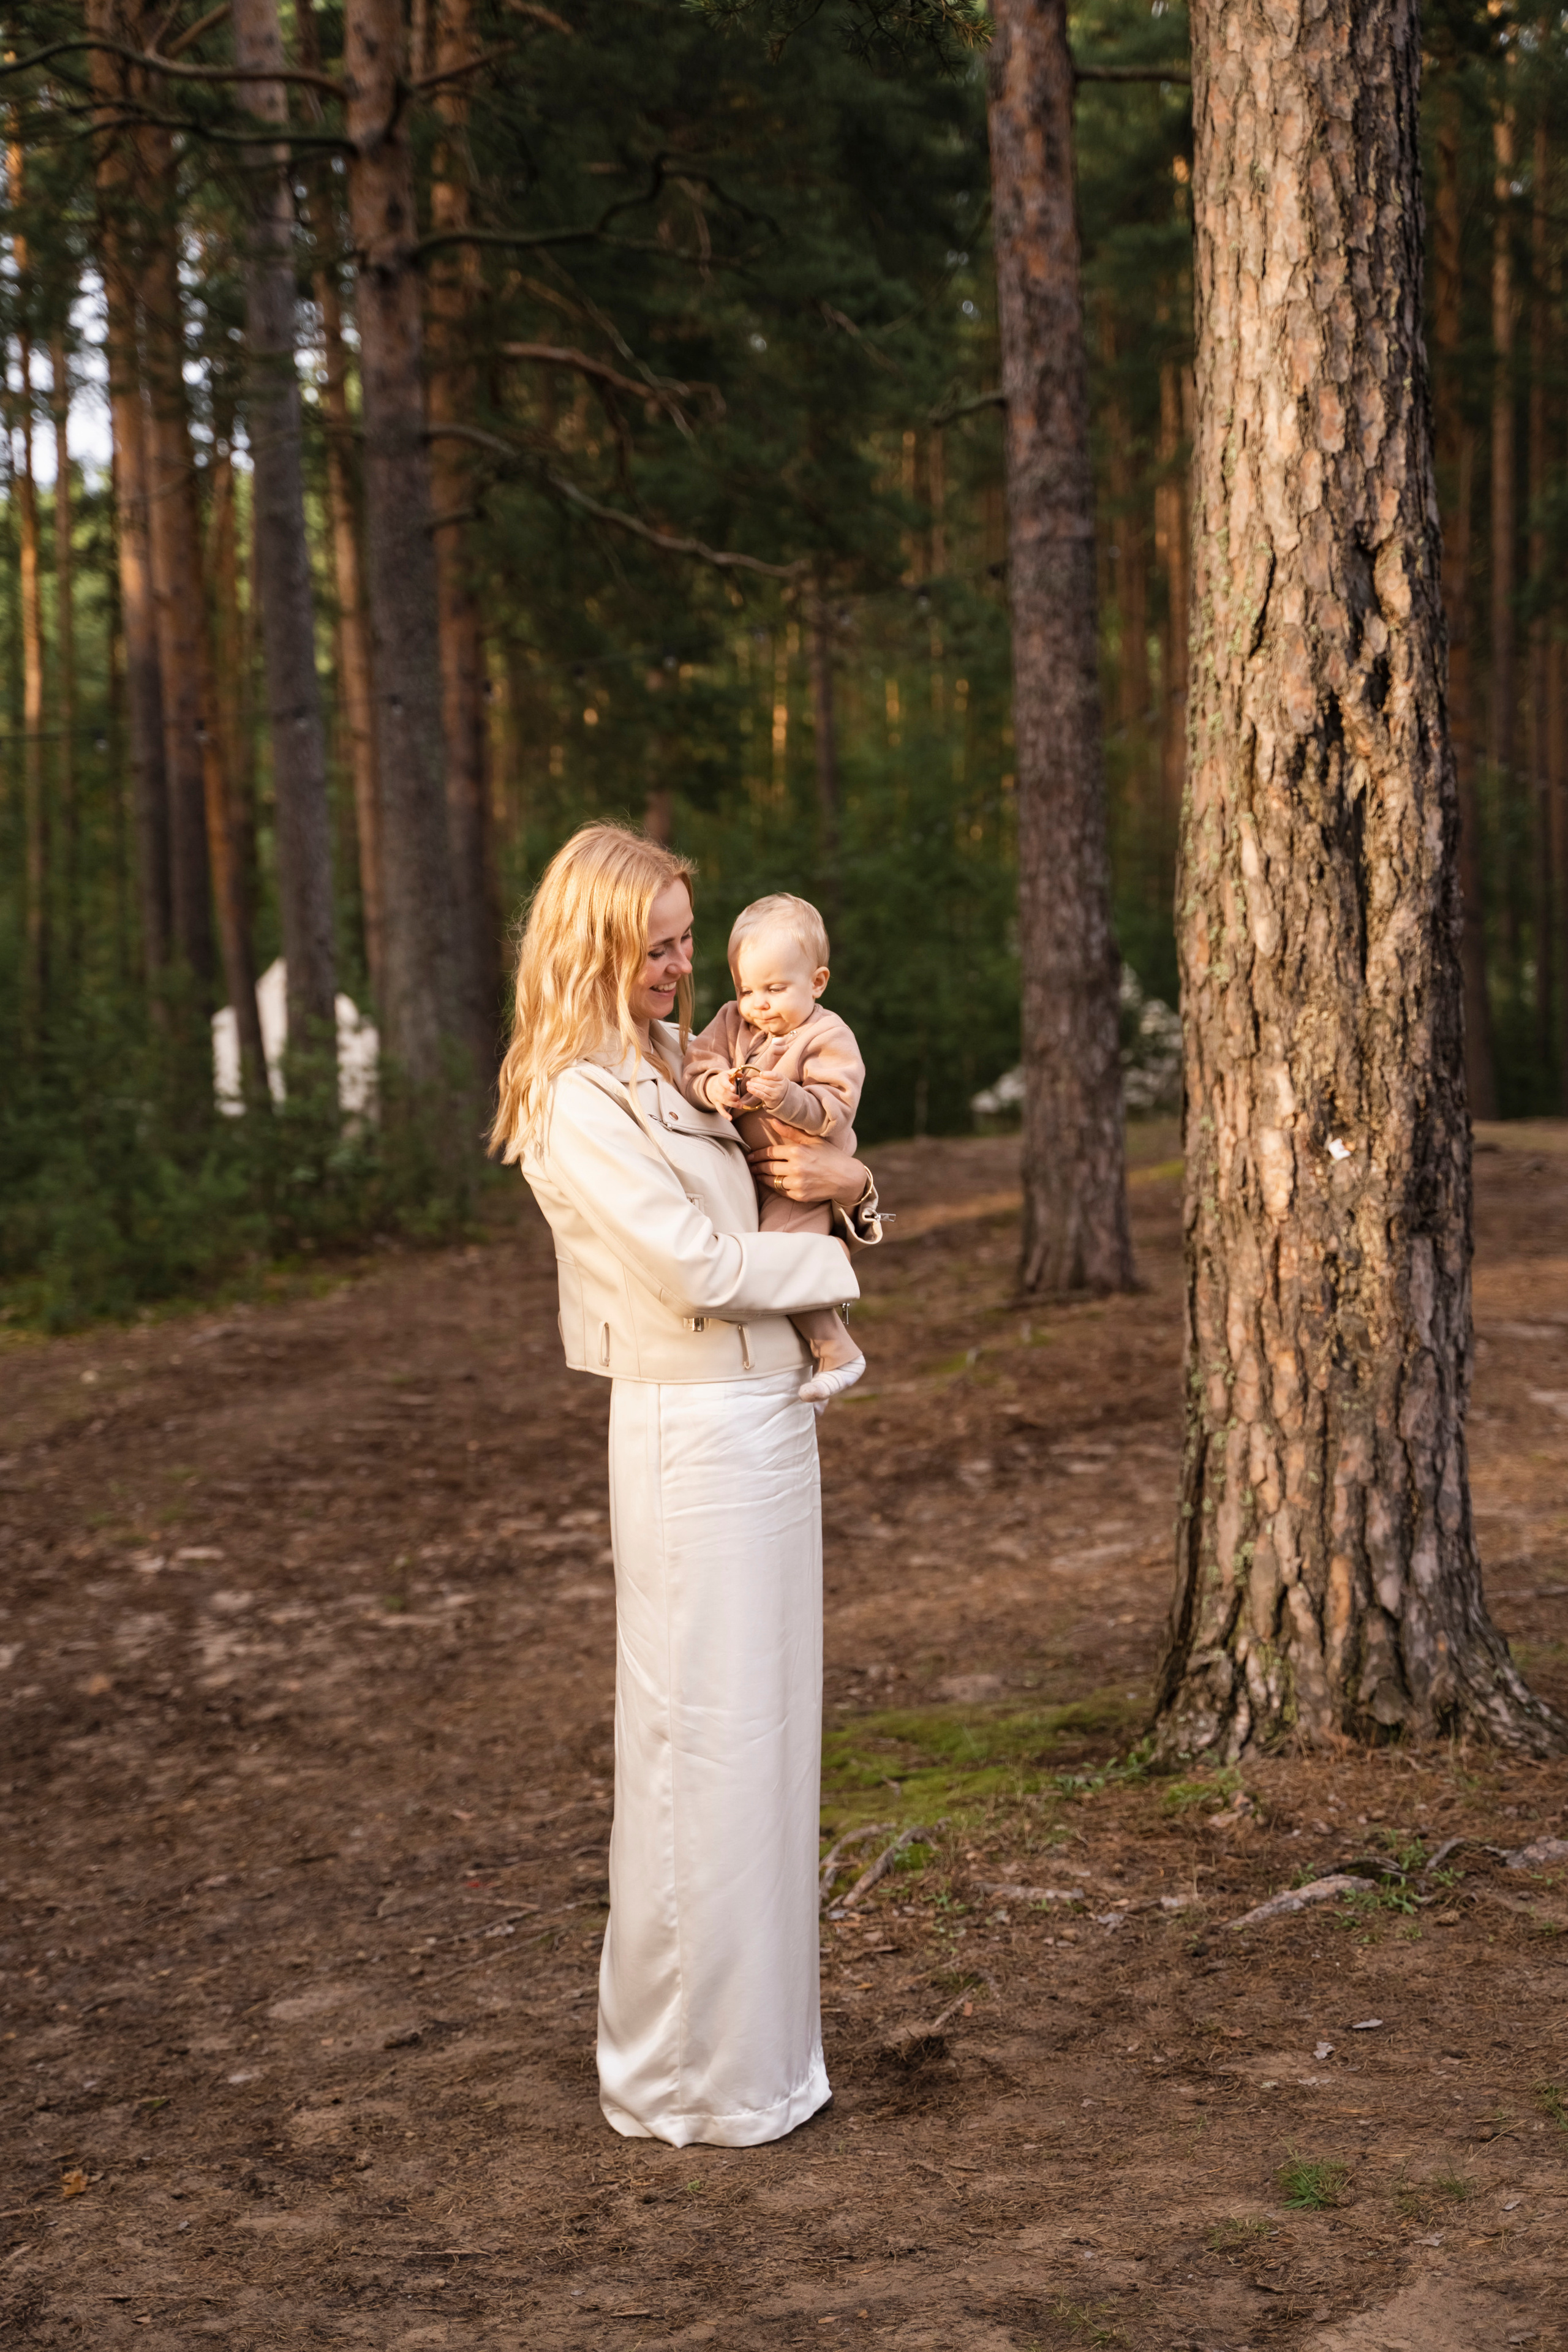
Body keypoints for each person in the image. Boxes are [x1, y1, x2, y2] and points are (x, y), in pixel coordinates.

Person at [489, 822, 884, 2149]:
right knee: (697, 1750)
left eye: (680, 941)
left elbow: (798, 1179)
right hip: (688, 1428)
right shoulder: (574, 1095)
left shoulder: (676, 1055)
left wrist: (858, 1187)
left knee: (768, 1742)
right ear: (596, 945)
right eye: (656, 946)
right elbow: (698, 1273)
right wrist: (840, 1270)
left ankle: (764, 2064)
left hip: (767, 1414)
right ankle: (679, 2076)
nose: (678, 966)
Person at [681, 893, 868, 1407]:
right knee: (781, 1261)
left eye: (775, 988)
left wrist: (788, 1097)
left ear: (817, 983)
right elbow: (696, 1067)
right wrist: (714, 1087)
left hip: (799, 1176)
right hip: (752, 1174)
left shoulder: (827, 1035)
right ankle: (818, 1355)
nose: (759, 1003)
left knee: (780, 1257)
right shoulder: (731, 1022)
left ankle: (837, 1348)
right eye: (748, 989)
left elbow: (835, 1110)